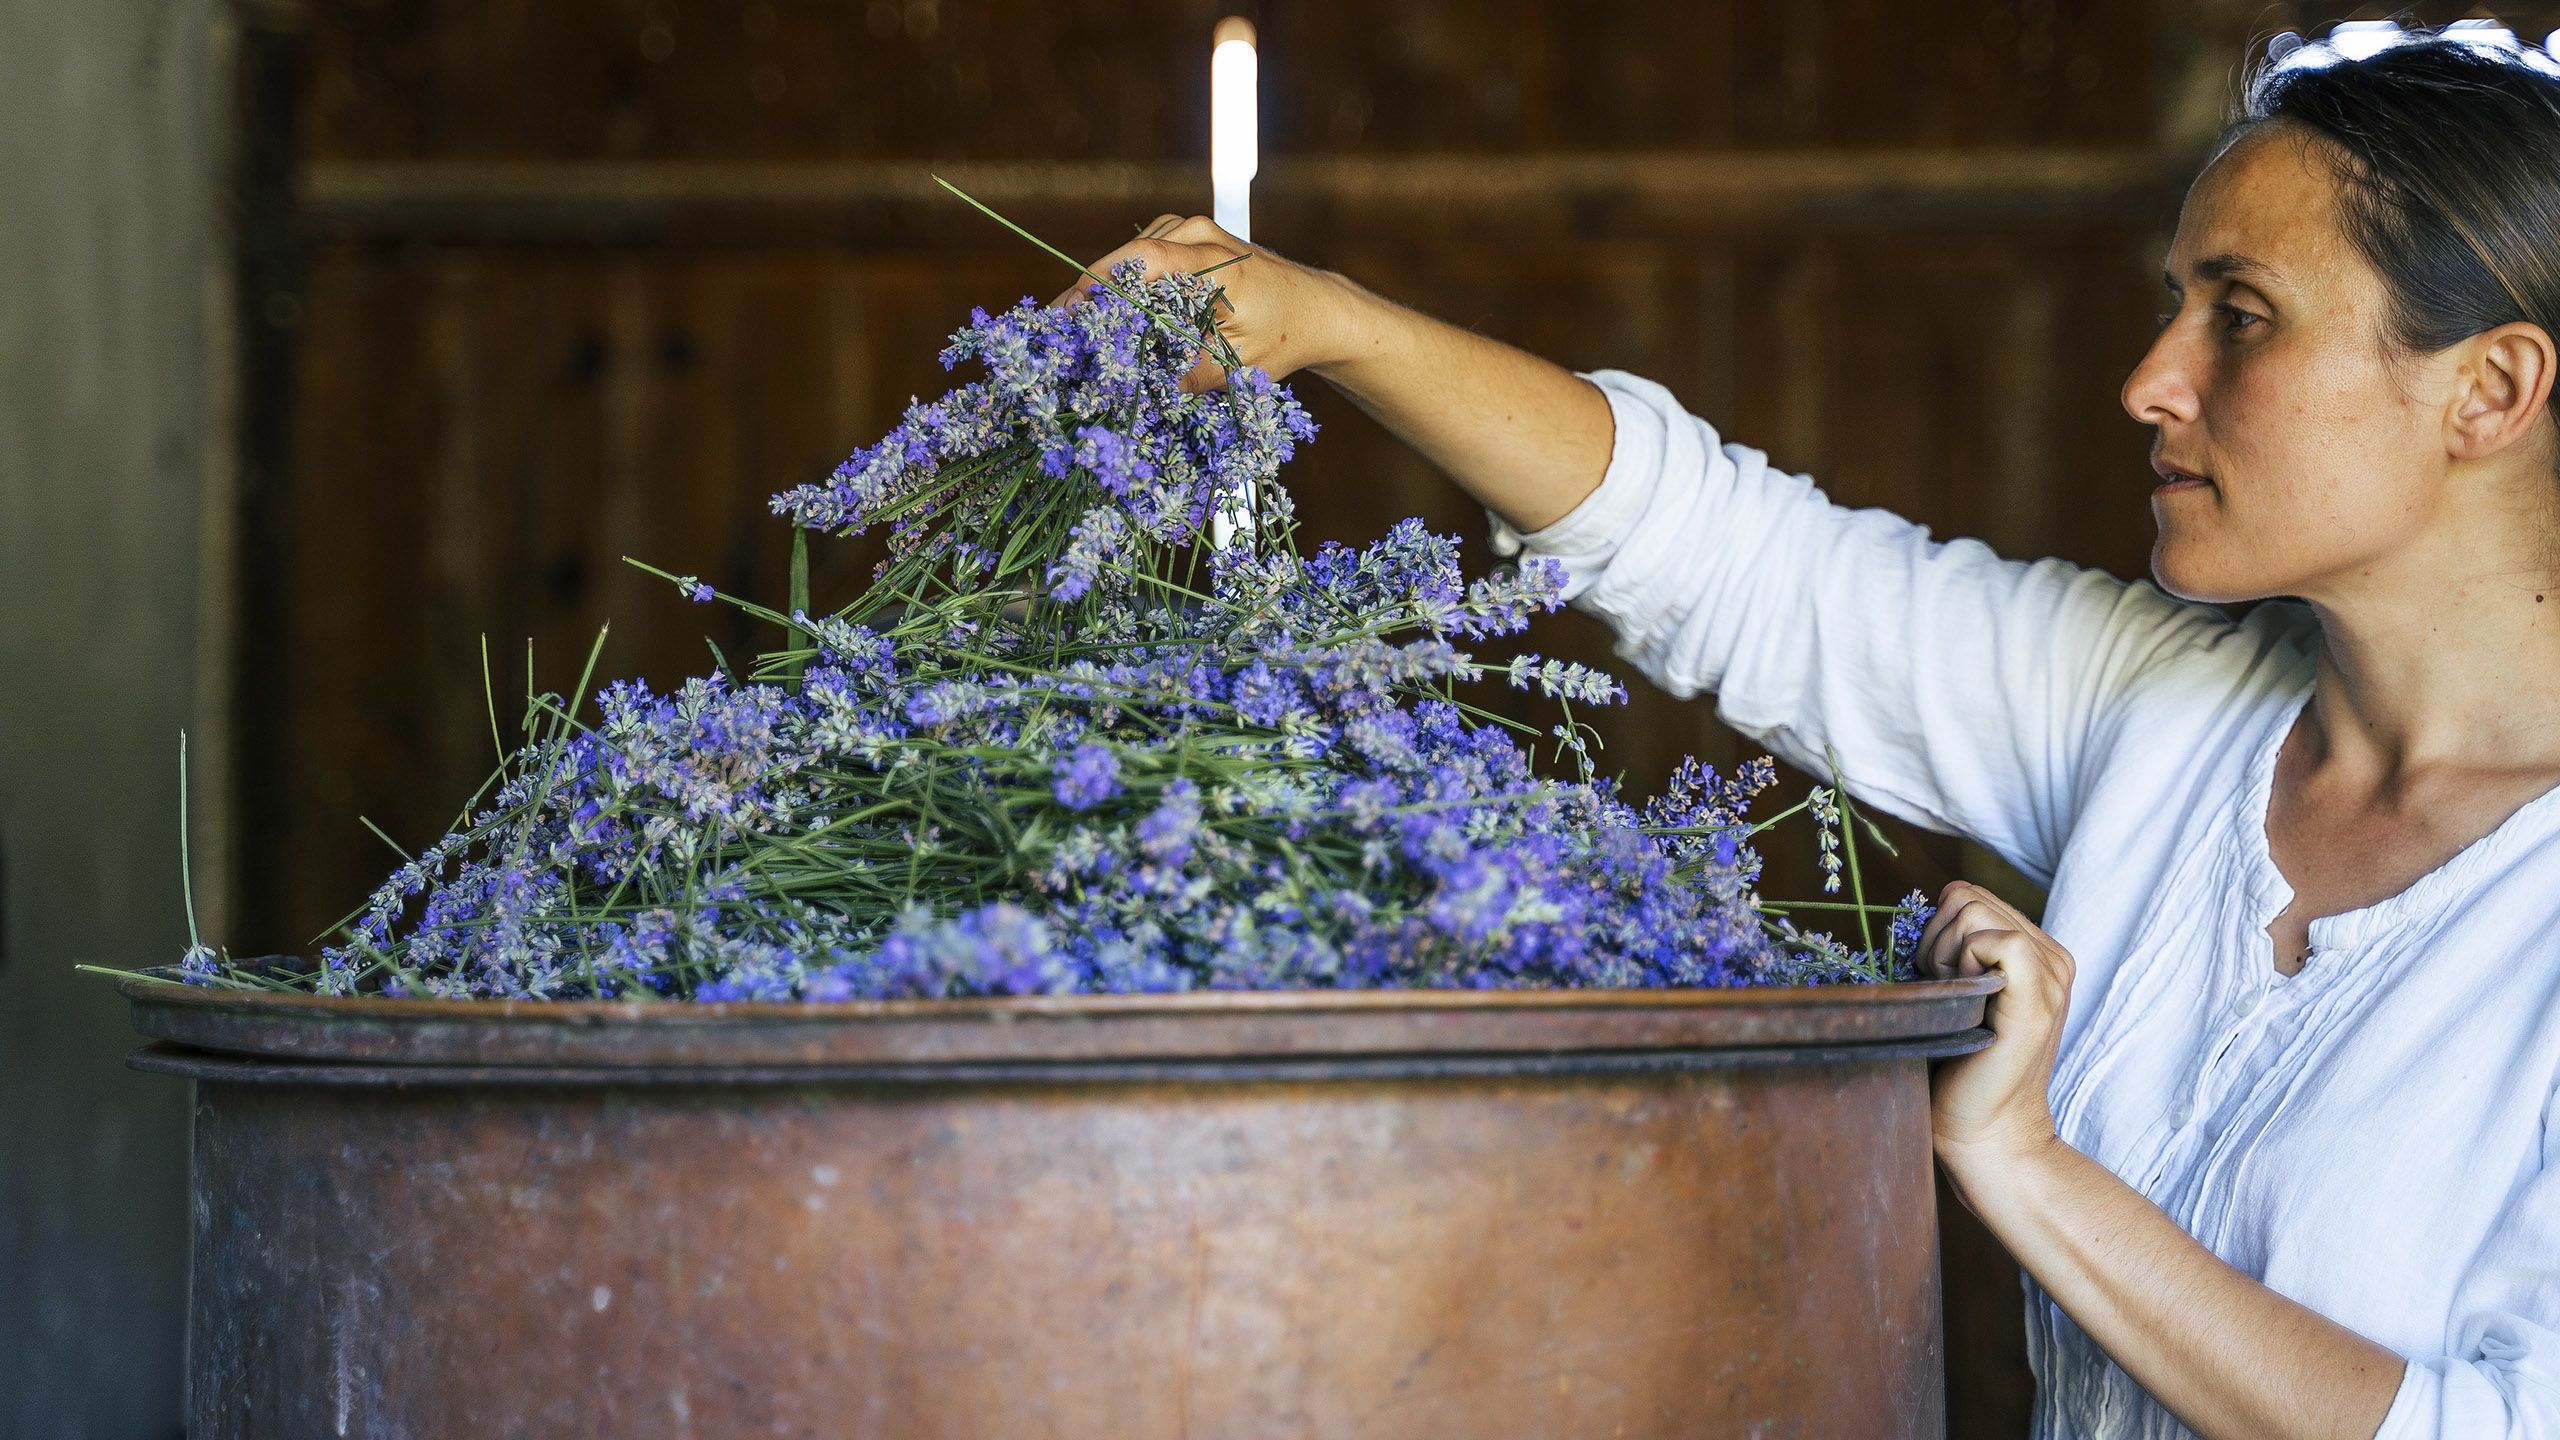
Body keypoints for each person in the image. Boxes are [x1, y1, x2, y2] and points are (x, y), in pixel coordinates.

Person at [1061, 20, 2560, 1440]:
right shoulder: (2163, 715)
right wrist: (1335, 325)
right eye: (2174, 305)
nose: (2152, 380)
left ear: (2488, 388)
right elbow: (1744, 566)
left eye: (2241, 316)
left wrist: (2023, 1165)